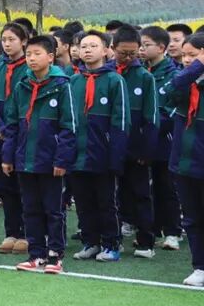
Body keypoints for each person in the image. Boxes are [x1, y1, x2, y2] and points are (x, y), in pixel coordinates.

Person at [2, 35, 77, 274]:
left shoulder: (62, 86)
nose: (31, 59)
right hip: (25, 158)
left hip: (51, 160)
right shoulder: (22, 86)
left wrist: (62, 159)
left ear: (50, 57)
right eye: (28, 55)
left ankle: (55, 256)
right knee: (30, 208)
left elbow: (69, 127)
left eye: (37, 54)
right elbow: (12, 124)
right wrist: (8, 156)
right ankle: (36, 254)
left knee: (53, 210)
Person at [69, 31, 128, 262]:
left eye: (93, 46)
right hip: (77, 154)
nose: (87, 50)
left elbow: (121, 121)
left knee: (106, 202)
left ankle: (111, 244)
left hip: (103, 154)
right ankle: (90, 242)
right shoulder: (74, 81)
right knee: (84, 202)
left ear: (106, 50)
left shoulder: (115, 80)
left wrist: (116, 156)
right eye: (83, 46)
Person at [160, 32, 204, 286]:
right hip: (184, 164)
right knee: (193, 218)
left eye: (193, 55)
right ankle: (200, 267)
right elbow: (169, 90)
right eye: (185, 55)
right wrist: (196, 67)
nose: (187, 60)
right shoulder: (183, 82)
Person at [112, 25, 159, 257]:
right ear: (113, 49)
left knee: (141, 194)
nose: (129, 57)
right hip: (111, 147)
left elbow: (152, 117)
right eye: (123, 53)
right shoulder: (107, 75)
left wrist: (147, 150)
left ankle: (146, 242)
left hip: (136, 147)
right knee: (111, 195)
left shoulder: (145, 77)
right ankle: (112, 239)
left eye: (133, 53)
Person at [0, 23, 30, 254]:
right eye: (4, 39)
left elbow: (26, 106)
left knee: (23, 186)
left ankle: (26, 233)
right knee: (5, 187)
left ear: (23, 41)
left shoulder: (29, 68)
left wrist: (8, 128)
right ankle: (11, 232)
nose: (7, 44)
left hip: (21, 135)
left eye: (12, 39)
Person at [141, 26, 182, 250]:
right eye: (141, 44)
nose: (142, 49)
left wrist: (151, 123)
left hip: (164, 140)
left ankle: (173, 231)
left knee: (167, 186)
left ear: (161, 47)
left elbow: (171, 111)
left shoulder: (173, 75)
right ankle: (154, 229)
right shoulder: (142, 72)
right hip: (145, 139)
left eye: (147, 45)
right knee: (149, 188)